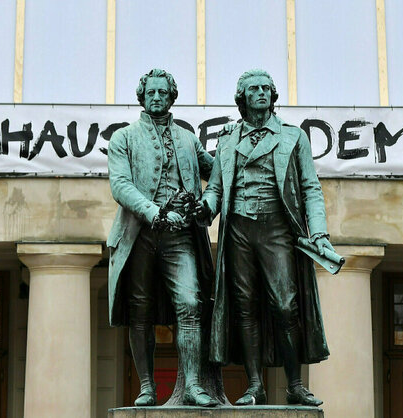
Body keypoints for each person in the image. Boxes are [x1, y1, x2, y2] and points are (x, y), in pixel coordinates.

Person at [198, 69, 334, 406]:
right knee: (245, 308)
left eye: (265, 88)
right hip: (239, 230)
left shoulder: (293, 136)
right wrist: (205, 209)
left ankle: (294, 385)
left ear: (272, 96)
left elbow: (310, 188)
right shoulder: (228, 140)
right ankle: (255, 385)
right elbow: (215, 187)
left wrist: (318, 231)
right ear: (241, 98)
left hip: (276, 228)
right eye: (253, 89)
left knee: (285, 305)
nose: (260, 93)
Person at [107, 68, 218, 407]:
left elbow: (216, 172)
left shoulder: (188, 138)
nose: (157, 97)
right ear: (142, 97)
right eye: (151, 92)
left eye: (163, 92)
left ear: (172, 97)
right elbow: (120, 185)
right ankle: (146, 385)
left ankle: (194, 386)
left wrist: (209, 201)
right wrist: (153, 212)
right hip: (140, 234)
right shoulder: (123, 138)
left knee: (191, 303)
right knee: (140, 311)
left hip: (181, 234)